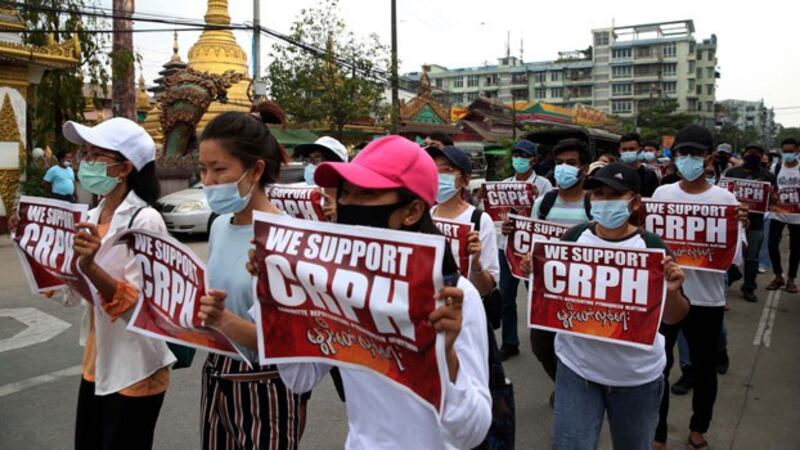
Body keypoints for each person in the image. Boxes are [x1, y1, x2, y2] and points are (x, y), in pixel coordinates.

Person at [229, 135, 491, 449]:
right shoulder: (336, 287)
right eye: (346, 193)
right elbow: (299, 379)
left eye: (366, 194)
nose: (347, 205)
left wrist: (445, 357)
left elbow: (471, 433)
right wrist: (271, 295)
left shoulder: (453, 297)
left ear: (411, 211)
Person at [520, 162, 689, 450]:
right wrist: (533, 271)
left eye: (614, 194)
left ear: (634, 201)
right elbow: (550, 296)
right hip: (577, 369)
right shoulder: (573, 238)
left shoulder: (652, 247)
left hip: (636, 378)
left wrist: (672, 293)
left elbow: (674, 318)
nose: (604, 201)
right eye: (598, 194)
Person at [63, 117, 176, 450]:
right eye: (84, 153)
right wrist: (36, 250)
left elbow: (145, 309)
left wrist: (91, 269)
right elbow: (70, 296)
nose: (86, 163)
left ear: (124, 168)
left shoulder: (146, 221)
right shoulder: (90, 217)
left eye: (96, 155)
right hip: (96, 364)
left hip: (136, 369)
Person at [195, 112, 305, 449]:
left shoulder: (290, 236)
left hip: (267, 388)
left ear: (255, 170)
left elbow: (291, 340)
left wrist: (223, 319)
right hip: (216, 374)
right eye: (203, 170)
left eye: (219, 169)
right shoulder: (218, 226)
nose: (209, 180)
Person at [653, 124, 748, 450]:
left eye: (695, 153)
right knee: (658, 368)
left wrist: (738, 230)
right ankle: (658, 433)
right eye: (682, 153)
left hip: (706, 299)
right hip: (666, 298)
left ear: (708, 157)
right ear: (674, 155)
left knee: (705, 369)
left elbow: (734, 259)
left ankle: (698, 427)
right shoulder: (662, 195)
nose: (688, 159)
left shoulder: (726, 200)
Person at [523, 138, 593, 401]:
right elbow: (531, 241)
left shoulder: (594, 204)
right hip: (546, 290)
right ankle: (564, 384)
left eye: (571, 163)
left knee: (578, 347)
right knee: (541, 346)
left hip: (581, 292)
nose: (564, 168)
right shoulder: (544, 203)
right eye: (560, 163)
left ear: (584, 168)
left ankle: (576, 390)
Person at [498, 139, 553, 360]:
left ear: (534, 160)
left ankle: (546, 339)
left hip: (533, 249)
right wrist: (503, 225)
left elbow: (547, 218)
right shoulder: (504, 184)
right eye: (516, 154)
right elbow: (497, 217)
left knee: (538, 295)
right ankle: (510, 342)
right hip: (508, 247)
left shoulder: (545, 185)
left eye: (524, 155)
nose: (519, 159)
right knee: (505, 296)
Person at [428, 145, 499, 297]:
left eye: (446, 170)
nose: (437, 175)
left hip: (465, 311)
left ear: (465, 180)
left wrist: (476, 265)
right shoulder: (425, 216)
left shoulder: (480, 221)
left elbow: (487, 289)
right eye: (433, 170)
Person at [722, 144, 778, 302]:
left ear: (762, 156)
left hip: (756, 223)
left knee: (752, 257)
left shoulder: (767, 176)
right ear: (743, 154)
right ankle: (728, 281)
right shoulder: (732, 172)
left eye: (757, 153)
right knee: (729, 254)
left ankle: (749, 287)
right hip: (734, 221)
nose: (753, 155)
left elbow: (774, 199)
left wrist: (773, 196)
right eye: (750, 152)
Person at [765, 138, 800, 293]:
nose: (787, 154)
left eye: (791, 151)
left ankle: (791, 279)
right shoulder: (776, 167)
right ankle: (778, 276)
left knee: (796, 248)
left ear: (797, 150)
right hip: (778, 213)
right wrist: (771, 195)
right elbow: (770, 187)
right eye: (785, 151)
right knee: (772, 244)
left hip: (797, 215)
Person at [619, 132, 659, 197]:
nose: (628, 152)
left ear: (640, 150)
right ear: (620, 150)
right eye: (624, 149)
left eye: (632, 149)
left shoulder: (649, 175)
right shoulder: (615, 172)